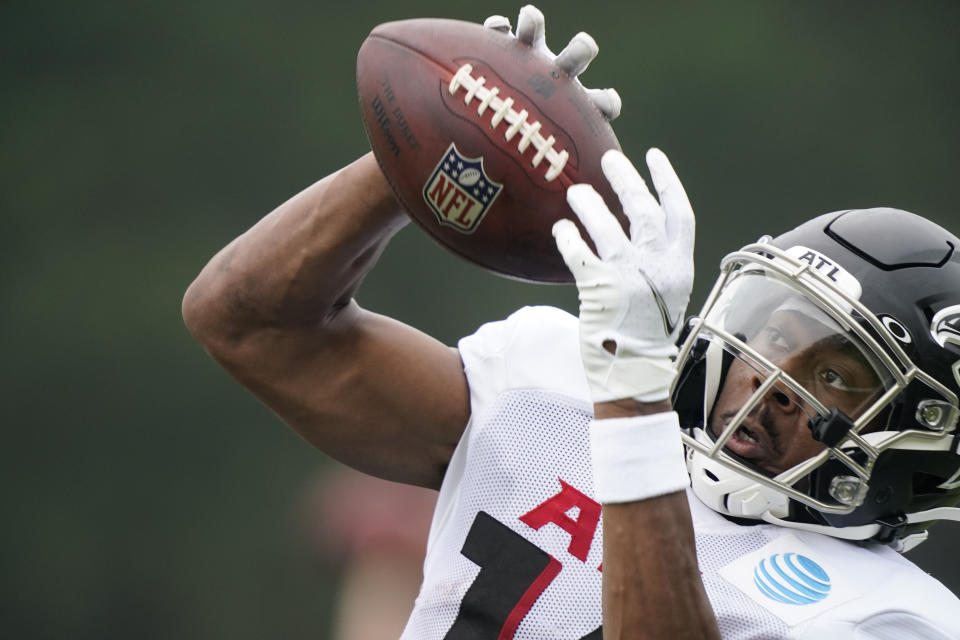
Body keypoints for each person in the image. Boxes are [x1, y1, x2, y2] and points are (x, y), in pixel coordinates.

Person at [182, 6, 960, 638]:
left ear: (923, 448)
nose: (773, 377)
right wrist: (443, 144)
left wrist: (631, 390)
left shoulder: (891, 617)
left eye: (834, 374)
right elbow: (250, 324)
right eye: (779, 333)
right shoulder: (550, 387)